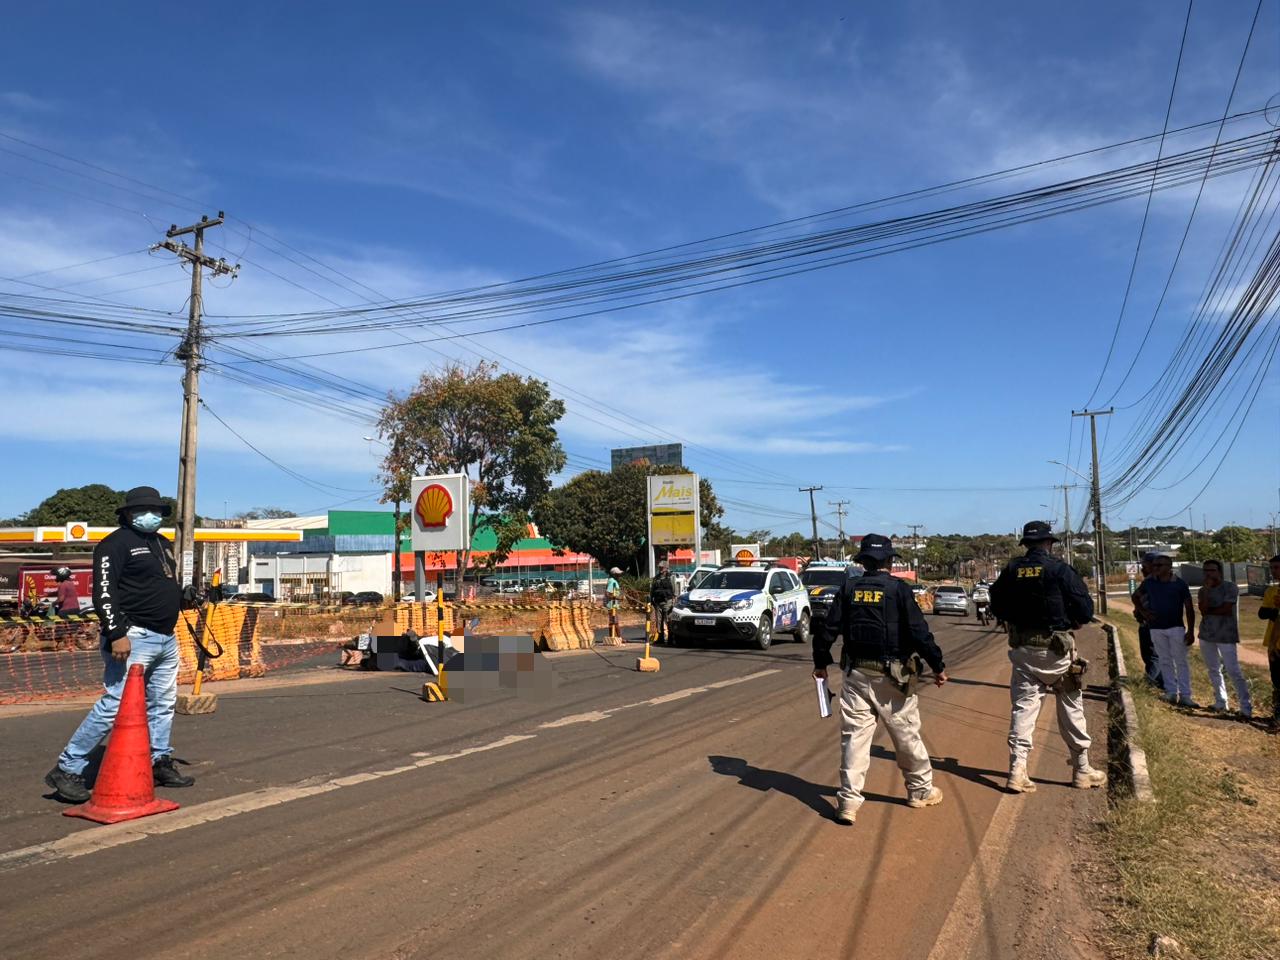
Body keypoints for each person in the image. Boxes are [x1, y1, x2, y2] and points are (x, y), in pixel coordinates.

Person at [44, 486, 196, 803]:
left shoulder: (162, 543)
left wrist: (183, 595)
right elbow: (104, 592)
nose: (150, 515)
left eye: (155, 510)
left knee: (163, 704)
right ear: (128, 514)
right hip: (133, 636)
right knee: (114, 705)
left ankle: (158, 760)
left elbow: (162, 582)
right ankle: (68, 767)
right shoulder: (114, 545)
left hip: (166, 637)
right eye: (142, 510)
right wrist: (116, 633)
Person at [813, 533, 948, 825]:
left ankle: (848, 802)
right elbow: (919, 633)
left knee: (854, 740)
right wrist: (937, 666)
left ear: (862, 561)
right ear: (889, 561)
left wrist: (820, 663)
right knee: (906, 734)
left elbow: (827, 628)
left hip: (856, 675)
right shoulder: (898, 589)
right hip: (893, 678)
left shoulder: (848, 587)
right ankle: (920, 790)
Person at [990, 520, 1105, 793]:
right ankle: (1081, 769)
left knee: (1023, 710)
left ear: (1026, 545)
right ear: (1049, 543)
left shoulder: (1011, 570)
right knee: (1071, 706)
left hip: (1024, 650)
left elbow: (996, 602)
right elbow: (1085, 610)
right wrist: (1073, 620)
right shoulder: (1060, 569)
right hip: (1058, 653)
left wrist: (1014, 619)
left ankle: (1017, 772)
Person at [1135, 554, 1198, 707]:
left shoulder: (1180, 584)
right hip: (1156, 628)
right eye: (1154, 565)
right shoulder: (1149, 582)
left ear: (1169, 567)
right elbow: (1135, 596)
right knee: (1164, 660)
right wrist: (1144, 612)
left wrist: (1190, 630)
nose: (1155, 568)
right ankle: (1170, 692)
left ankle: (1185, 695)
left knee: (1181, 661)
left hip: (1175, 627)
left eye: (1159, 565)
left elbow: (1189, 608)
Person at [1197, 559, 1252, 718]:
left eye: (1212, 570)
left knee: (1233, 670)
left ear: (1219, 571)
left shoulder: (1230, 587)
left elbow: (1226, 609)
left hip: (1226, 634)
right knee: (1213, 669)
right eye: (1206, 570)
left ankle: (1245, 707)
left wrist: (1211, 610)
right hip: (1207, 634)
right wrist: (1207, 591)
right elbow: (1203, 610)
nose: (1209, 573)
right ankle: (1221, 701)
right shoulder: (1202, 590)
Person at [1130, 553, 1163, 689]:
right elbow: (1135, 596)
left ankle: (1148, 684)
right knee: (1151, 655)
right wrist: (1141, 611)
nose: (1142, 569)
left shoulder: (1158, 581)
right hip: (1146, 623)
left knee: (1153, 656)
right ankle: (1161, 682)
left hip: (1154, 624)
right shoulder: (1149, 581)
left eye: (1144, 566)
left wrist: (1144, 612)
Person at [1257, 554, 1280, 729]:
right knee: (1277, 681)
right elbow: (1262, 613)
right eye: (1272, 568)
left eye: (1277, 567)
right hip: (1273, 644)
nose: (1274, 571)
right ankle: (1277, 716)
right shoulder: (1271, 591)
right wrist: (1275, 610)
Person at [649, 559, 677, 645]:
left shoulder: (671, 577)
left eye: (662, 567)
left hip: (668, 601)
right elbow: (652, 589)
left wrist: (674, 600)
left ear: (666, 568)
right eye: (660, 567)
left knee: (668, 620)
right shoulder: (656, 578)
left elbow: (674, 589)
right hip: (658, 602)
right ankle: (660, 638)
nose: (660, 569)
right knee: (659, 621)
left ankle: (670, 639)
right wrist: (651, 599)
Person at [605, 567, 623, 640]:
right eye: (618, 574)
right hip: (612, 605)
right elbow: (607, 593)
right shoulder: (612, 581)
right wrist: (618, 598)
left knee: (612, 622)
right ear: (614, 574)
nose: (619, 575)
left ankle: (612, 637)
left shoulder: (612, 581)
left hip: (613, 604)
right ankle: (619, 638)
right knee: (615, 622)